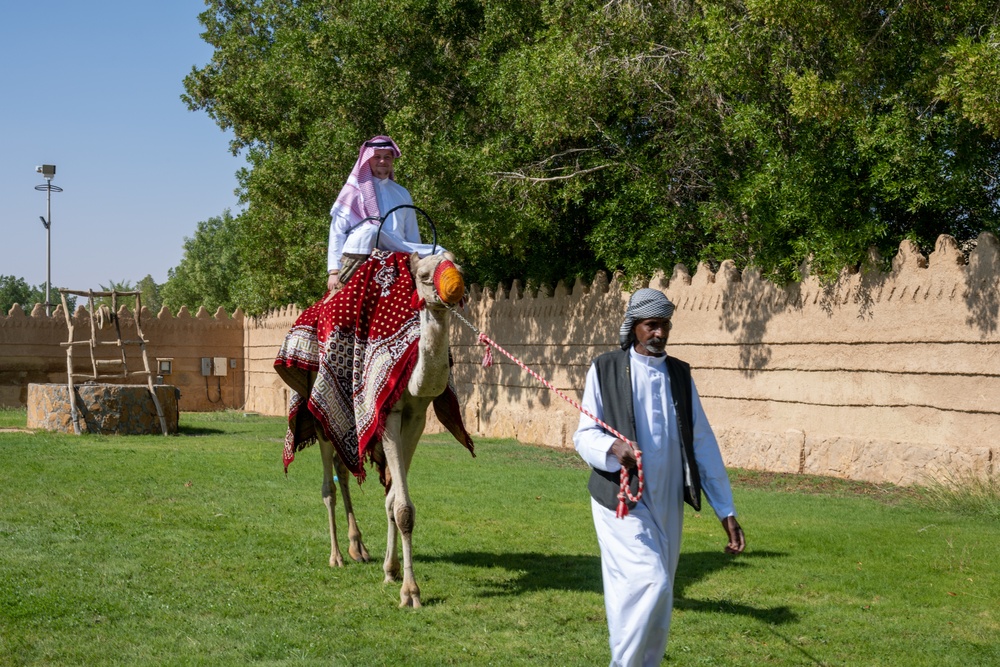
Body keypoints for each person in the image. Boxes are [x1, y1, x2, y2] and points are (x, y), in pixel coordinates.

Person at [573, 288, 746, 667]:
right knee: (649, 581)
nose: (660, 334)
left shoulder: (680, 374)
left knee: (658, 594)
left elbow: (703, 443)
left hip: (668, 499)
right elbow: (583, 435)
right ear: (635, 327)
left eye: (665, 325)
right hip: (620, 501)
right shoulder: (604, 368)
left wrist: (726, 510)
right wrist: (613, 450)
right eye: (652, 325)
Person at [326, 135, 445, 293]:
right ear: (368, 159)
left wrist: (416, 264)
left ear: (392, 160)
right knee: (371, 230)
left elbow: (411, 234)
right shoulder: (352, 191)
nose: (382, 161)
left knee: (438, 253)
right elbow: (337, 231)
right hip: (360, 260)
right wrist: (334, 271)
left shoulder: (402, 193)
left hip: (396, 261)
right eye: (377, 157)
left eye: (387, 157)